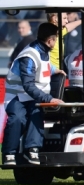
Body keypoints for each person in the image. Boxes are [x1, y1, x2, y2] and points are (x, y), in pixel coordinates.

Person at [2, 22, 66, 165]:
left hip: (31, 96)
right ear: (50, 41)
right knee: (18, 118)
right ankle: (9, 153)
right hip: (16, 96)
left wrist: (55, 70)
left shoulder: (42, 50)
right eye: (55, 38)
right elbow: (28, 84)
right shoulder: (29, 55)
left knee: (36, 114)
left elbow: (43, 66)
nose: (56, 41)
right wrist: (49, 99)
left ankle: (32, 150)